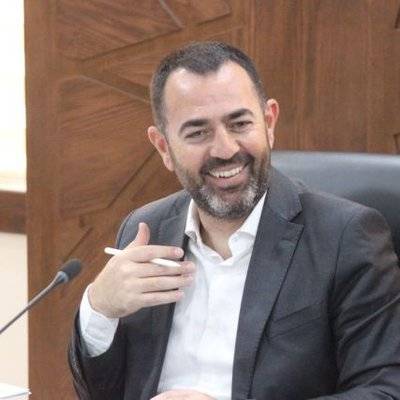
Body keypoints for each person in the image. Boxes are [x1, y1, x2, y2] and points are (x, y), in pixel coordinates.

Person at [69, 42, 400, 400]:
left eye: (239, 124)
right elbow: (102, 392)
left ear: (269, 122)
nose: (225, 149)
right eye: (198, 132)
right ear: (164, 147)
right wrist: (100, 308)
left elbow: (383, 391)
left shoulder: (345, 237)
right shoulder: (146, 230)